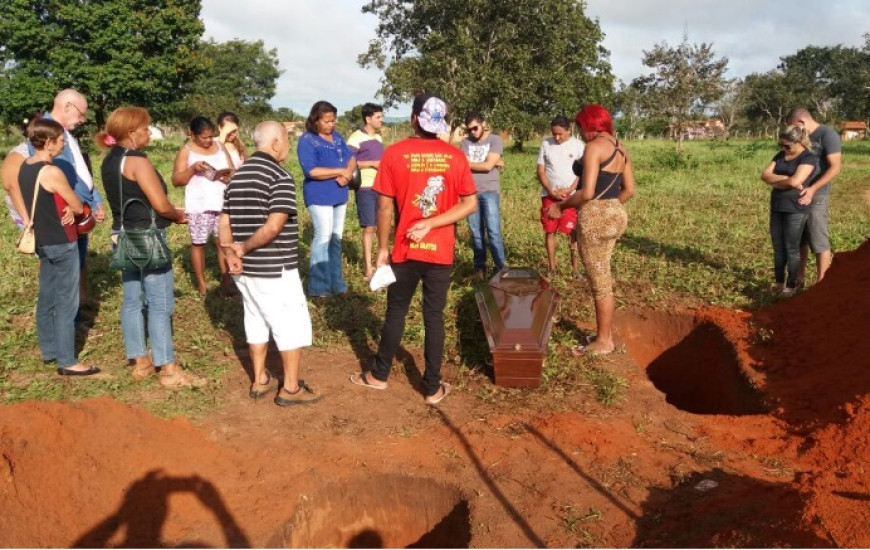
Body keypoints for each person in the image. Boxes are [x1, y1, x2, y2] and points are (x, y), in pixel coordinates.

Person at [349, 93, 477, 405]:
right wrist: (435, 224)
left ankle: (379, 375)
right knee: (434, 315)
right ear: (440, 124)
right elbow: (470, 203)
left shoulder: (394, 154)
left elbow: (384, 207)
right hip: (441, 251)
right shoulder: (455, 156)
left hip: (405, 249)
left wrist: (382, 247)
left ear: (413, 120)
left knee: (396, 311)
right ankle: (432, 388)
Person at [97, 107, 200, 387]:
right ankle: (168, 368)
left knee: (132, 299)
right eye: (145, 128)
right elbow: (159, 204)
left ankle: (139, 361)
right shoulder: (137, 161)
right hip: (148, 236)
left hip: (123, 233)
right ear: (131, 133)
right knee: (160, 301)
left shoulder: (109, 161)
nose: (149, 133)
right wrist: (176, 214)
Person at [219, 121, 321, 406]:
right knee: (290, 324)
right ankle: (290, 388)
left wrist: (231, 253)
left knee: (255, 319)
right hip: (275, 267)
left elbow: (224, 220)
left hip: (245, 270)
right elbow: (275, 225)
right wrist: (243, 247)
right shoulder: (279, 176)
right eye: (286, 141)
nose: (287, 147)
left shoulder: (237, 177)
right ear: (275, 142)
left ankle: (260, 379)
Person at [548, 105, 635, 356]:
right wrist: (610, 206)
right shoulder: (621, 148)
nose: (581, 133)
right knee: (603, 275)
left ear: (590, 125)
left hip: (595, 219)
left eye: (581, 127)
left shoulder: (594, 147)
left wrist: (562, 205)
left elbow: (586, 193)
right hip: (616, 214)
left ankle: (604, 341)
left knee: (600, 283)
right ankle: (602, 334)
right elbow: (629, 190)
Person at [18, 119, 98, 376]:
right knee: (66, 301)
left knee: (47, 297)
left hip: (43, 240)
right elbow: (76, 205)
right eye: (61, 140)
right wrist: (71, 207)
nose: (65, 143)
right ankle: (67, 360)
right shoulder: (52, 172)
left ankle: (50, 350)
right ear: (49, 142)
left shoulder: (25, 168)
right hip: (63, 241)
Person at [32, 91, 106, 307]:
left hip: (79, 212)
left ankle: (77, 309)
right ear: (67, 107)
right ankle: (65, 323)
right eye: (80, 114)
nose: (82, 120)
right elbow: (48, 178)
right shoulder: (44, 133)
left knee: (78, 263)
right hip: (63, 216)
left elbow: (80, 172)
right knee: (63, 275)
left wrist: (95, 200)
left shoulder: (65, 133)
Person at [297, 101, 356, 297]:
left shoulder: (337, 137)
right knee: (323, 237)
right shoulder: (307, 140)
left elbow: (351, 157)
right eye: (327, 121)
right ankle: (319, 287)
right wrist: (340, 171)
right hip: (319, 195)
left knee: (336, 239)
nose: (331, 124)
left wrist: (348, 172)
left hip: (339, 194)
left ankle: (336, 283)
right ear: (316, 120)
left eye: (333, 120)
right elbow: (312, 171)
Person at [172, 116, 236, 298]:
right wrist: (192, 169)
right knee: (198, 244)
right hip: (199, 205)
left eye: (211, 136)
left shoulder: (220, 147)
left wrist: (228, 176)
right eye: (204, 137)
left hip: (222, 202)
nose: (209, 141)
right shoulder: (186, 151)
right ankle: (202, 284)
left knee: (223, 243)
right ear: (191, 134)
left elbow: (233, 170)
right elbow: (176, 180)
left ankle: (227, 281)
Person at [761, 125, 819, 296]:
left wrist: (777, 181)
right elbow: (765, 175)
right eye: (781, 145)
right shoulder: (780, 155)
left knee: (791, 248)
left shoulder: (808, 158)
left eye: (788, 146)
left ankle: (791, 285)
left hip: (795, 208)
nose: (784, 149)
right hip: (777, 206)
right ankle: (779, 283)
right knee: (778, 248)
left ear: (799, 142)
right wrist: (786, 178)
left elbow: (796, 182)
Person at [786, 108, 841, 285]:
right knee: (799, 239)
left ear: (801, 122)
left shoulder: (827, 135)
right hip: (798, 195)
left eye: (793, 126)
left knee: (818, 239)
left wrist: (813, 189)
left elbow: (835, 167)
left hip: (817, 194)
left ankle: (822, 284)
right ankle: (798, 279)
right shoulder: (800, 138)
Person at [537, 115, 584, 279]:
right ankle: (552, 269)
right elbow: (541, 171)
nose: (556, 137)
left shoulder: (579, 146)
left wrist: (571, 189)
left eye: (560, 134)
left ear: (569, 130)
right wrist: (550, 190)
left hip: (571, 197)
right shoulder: (545, 144)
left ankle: (575, 270)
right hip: (549, 196)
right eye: (554, 133)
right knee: (550, 231)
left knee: (573, 232)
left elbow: (583, 172)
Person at [460, 112, 506, 277]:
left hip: (489, 191)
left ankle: (500, 269)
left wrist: (475, 164)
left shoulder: (495, 140)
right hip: (470, 192)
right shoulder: (465, 142)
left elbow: (487, 167)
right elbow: (485, 165)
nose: (472, 132)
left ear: (483, 124)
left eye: (475, 128)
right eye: (469, 129)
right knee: (476, 232)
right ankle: (479, 268)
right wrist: (489, 163)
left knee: (493, 232)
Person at [346, 102, 385, 280]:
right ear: (368, 119)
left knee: (380, 227)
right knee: (369, 228)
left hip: (380, 187)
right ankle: (368, 268)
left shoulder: (378, 138)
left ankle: (380, 263)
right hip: (365, 188)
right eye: (378, 117)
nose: (381, 120)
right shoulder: (355, 138)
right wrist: (370, 164)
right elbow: (347, 164)